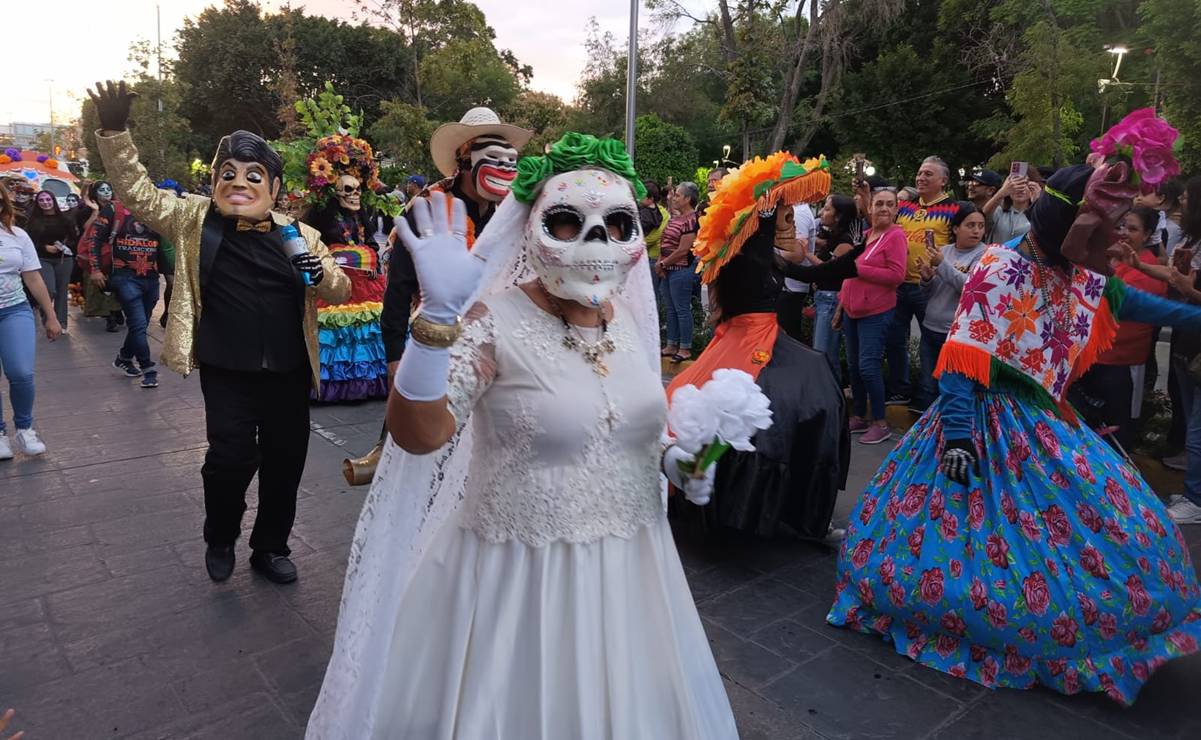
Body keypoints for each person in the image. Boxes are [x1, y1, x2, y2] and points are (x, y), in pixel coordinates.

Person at [307, 133, 737, 738]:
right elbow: (418, 433)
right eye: (568, 222)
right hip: (517, 589)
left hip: (631, 575)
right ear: (533, 225)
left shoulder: (626, 320)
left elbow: (621, 425)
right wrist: (434, 323)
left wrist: (673, 460)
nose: (596, 241)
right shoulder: (494, 323)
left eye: (618, 225)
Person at [829, 119, 1201, 704]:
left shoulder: (1082, 278)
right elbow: (962, 361)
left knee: (1110, 529)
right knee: (977, 543)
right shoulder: (1001, 267)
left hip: (1044, 420)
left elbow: (1149, 306)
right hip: (976, 422)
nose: (1113, 245)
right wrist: (957, 438)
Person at [89, 80, 349, 584]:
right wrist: (115, 132)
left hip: (289, 371)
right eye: (228, 173)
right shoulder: (193, 219)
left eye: (254, 176)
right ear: (214, 180)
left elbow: (337, 288)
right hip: (227, 369)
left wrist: (322, 275)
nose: (240, 183)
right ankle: (220, 535)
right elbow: (137, 192)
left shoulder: (302, 235)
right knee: (229, 459)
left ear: (275, 189)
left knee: (285, 463)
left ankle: (270, 546)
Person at [670, 152, 849, 541]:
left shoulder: (761, 254)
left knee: (815, 390)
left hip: (769, 336)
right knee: (751, 411)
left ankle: (803, 511)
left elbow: (809, 271)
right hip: (745, 342)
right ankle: (735, 505)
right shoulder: (743, 258)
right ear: (764, 219)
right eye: (782, 213)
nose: (791, 219)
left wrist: (853, 263)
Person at [350, 107, 531, 485]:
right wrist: (397, 357)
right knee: (424, 443)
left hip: (495, 341)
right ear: (464, 160)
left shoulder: (512, 214)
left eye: (507, 157)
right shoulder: (428, 210)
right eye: (489, 155)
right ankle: (391, 451)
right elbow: (398, 289)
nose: (502, 168)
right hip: (436, 333)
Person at [302, 134, 391, 402]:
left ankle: (373, 381)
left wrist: (372, 256)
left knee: (367, 333)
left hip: (367, 288)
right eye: (348, 190)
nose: (355, 196)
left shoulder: (361, 217)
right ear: (335, 192)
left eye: (357, 190)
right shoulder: (323, 219)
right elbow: (321, 248)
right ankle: (340, 384)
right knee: (341, 338)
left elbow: (371, 244)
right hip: (339, 289)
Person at [1072, 206, 1168, 451]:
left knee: (1116, 433)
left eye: (1132, 228)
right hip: (1090, 359)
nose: (1123, 233)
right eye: (1120, 226)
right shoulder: (1107, 257)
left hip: (1120, 365)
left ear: (1147, 235)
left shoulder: (1149, 270)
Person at [883, 156, 961, 408]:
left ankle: (932, 397)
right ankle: (900, 389)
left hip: (932, 287)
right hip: (898, 284)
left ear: (943, 180)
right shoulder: (904, 206)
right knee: (895, 339)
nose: (921, 178)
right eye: (919, 173)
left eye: (928, 174)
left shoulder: (954, 209)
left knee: (932, 344)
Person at [839, 186, 907, 444]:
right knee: (855, 367)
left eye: (890, 204)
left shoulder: (895, 237)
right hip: (851, 309)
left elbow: (896, 276)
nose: (884, 208)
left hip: (875, 312)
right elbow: (846, 276)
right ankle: (859, 416)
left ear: (896, 210)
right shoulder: (865, 235)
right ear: (870, 208)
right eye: (879, 204)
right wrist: (839, 305)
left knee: (868, 367)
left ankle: (880, 422)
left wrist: (859, 268)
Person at [0, 180, 62, 460]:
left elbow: (33, 277)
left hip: (14, 310)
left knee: (21, 372)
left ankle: (24, 429)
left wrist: (51, 316)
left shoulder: (16, 235)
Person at [914, 203, 989, 413]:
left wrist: (942, 265)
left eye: (980, 226)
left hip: (957, 335)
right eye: (970, 225)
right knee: (928, 386)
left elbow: (970, 288)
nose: (976, 231)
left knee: (952, 390)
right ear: (956, 228)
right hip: (931, 328)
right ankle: (927, 436)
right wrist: (927, 278)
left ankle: (952, 437)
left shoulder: (985, 255)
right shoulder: (944, 251)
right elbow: (929, 293)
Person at [83, 211, 167, 388]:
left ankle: (124, 358)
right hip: (125, 278)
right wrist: (95, 269)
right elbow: (93, 241)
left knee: (140, 325)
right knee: (138, 325)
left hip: (151, 278)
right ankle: (148, 369)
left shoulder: (154, 210)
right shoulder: (114, 211)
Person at [795, 194, 860, 382]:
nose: (822, 213)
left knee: (824, 353)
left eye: (828, 209)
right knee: (820, 350)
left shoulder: (845, 241)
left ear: (839, 216)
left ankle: (832, 398)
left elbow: (830, 270)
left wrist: (807, 253)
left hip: (832, 299)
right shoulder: (833, 236)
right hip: (823, 297)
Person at [656, 181, 700, 361]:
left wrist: (663, 264)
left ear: (688, 199)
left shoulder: (692, 219)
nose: (674, 198)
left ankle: (685, 348)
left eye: (678, 195)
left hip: (681, 269)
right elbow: (665, 242)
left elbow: (683, 249)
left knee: (682, 309)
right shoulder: (675, 218)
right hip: (667, 269)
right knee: (671, 308)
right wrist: (661, 262)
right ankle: (671, 344)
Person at [24, 189, 77, 333]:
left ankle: (61, 323)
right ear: (37, 202)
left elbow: (74, 239)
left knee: (61, 290)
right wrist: (45, 247)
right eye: (41, 200)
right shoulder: (33, 220)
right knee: (49, 289)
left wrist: (63, 247)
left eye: (48, 199)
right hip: (42, 259)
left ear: (53, 200)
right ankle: (47, 314)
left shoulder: (65, 219)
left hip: (63, 259)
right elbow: (29, 242)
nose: (45, 203)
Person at [76, 180, 125, 332]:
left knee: (115, 284)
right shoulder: (86, 210)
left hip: (114, 254)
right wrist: (96, 211)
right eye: (102, 190)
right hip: (95, 253)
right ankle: (108, 316)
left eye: (108, 189)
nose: (106, 192)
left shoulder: (118, 207)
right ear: (95, 193)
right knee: (99, 286)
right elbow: (87, 230)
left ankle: (116, 310)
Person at [776, 200, 819, 343]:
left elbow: (797, 255)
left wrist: (766, 254)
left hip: (789, 288)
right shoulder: (791, 210)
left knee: (786, 342)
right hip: (784, 287)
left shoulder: (798, 213)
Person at [983, 171, 1039, 244]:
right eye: (1016, 184)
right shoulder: (998, 211)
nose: (1020, 189)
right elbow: (983, 215)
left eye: (1025, 183)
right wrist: (1001, 193)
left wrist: (1038, 203)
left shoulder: (1037, 214)